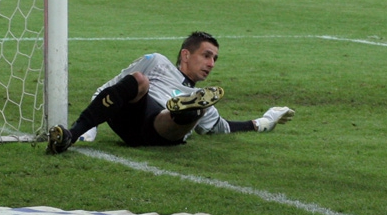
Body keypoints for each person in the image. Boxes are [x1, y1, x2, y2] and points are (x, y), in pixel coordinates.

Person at [47, 31, 295, 153]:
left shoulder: (204, 95)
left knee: (192, 109)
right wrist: (89, 127)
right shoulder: (157, 62)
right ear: (186, 54)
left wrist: (263, 121)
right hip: (129, 119)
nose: (211, 63)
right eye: (206, 56)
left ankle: (185, 110)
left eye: (215, 59)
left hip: (161, 131)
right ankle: (70, 135)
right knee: (138, 81)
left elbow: (223, 128)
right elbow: (107, 89)